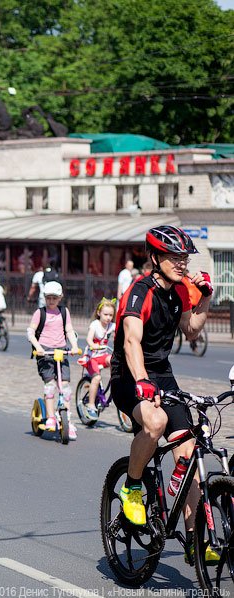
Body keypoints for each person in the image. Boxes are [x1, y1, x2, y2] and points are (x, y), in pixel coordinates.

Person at [111, 226, 214, 565]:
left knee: (190, 457)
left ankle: (194, 542)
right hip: (129, 375)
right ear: (155, 258)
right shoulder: (139, 292)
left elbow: (191, 331)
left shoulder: (180, 291)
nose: (182, 263)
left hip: (163, 375)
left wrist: (206, 298)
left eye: (184, 258)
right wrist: (141, 380)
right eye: (174, 257)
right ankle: (132, 487)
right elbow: (130, 342)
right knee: (154, 423)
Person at [27, 281, 81, 439]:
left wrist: (75, 346)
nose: (51, 301)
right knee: (50, 385)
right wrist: (38, 347)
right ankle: (51, 417)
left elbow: (69, 330)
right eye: (48, 298)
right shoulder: (40, 312)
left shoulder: (64, 311)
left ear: (60, 298)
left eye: (54, 298)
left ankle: (68, 420)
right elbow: (30, 332)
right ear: (44, 297)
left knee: (65, 386)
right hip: (45, 352)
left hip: (61, 351)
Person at [81, 297, 116, 419]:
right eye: (105, 314)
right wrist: (93, 345)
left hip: (103, 356)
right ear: (99, 313)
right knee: (96, 378)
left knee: (113, 360)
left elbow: (120, 332)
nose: (108, 318)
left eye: (111, 315)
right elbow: (89, 339)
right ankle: (91, 405)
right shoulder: (95, 325)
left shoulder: (111, 326)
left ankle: (115, 380)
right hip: (92, 357)